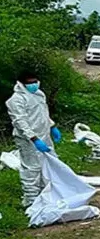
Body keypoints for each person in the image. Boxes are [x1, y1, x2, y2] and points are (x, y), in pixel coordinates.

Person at [6, 71, 62, 207]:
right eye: (29, 83)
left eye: (35, 81)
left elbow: (43, 113)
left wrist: (52, 126)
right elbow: (20, 122)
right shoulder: (16, 100)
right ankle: (31, 201)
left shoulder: (39, 94)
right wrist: (33, 138)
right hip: (28, 140)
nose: (33, 85)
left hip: (44, 135)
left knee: (49, 165)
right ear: (22, 84)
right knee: (31, 169)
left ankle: (47, 195)